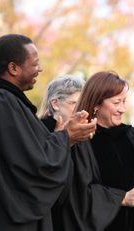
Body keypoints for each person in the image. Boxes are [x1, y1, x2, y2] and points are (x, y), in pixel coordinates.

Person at [0, 34, 97, 231]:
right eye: (35, 64)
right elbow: (32, 165)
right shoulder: (1, 103)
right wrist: (65, 137)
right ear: (13, 68)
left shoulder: (6, 102)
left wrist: (63, 137)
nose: (40, 69)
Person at [60, 70, 134, 231]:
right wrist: (124, 198)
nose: (122, 109)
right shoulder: (79, 141)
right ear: (95, 104)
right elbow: (78, 193)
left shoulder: (131, 136)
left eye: (124, 101)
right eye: (116, 103)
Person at [37, 74, 85, 231]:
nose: (81, 111)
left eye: (83, 104)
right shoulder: (38, 132)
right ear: (55, 104)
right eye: (74, 104)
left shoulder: (84, 134)